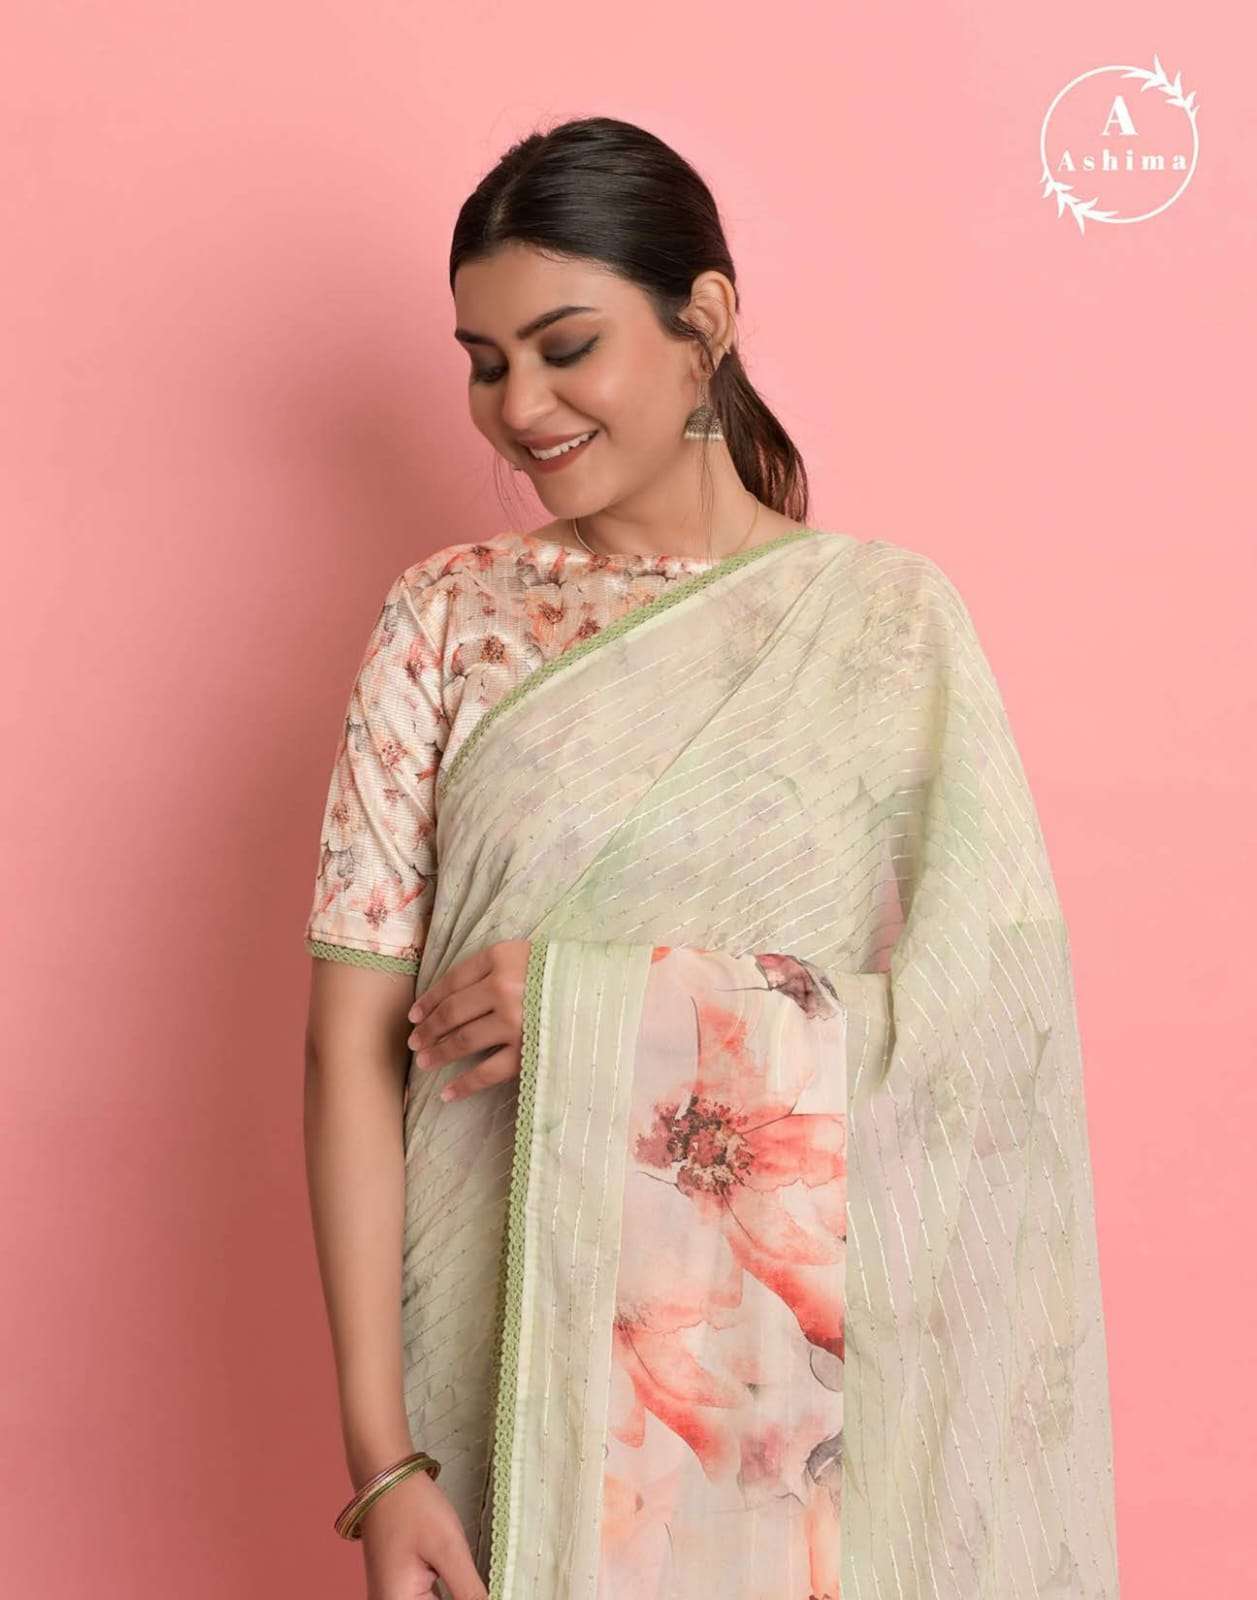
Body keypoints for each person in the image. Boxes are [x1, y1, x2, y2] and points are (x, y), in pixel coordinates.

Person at [301, 116, 1120, 1600]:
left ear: (706, 320)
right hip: (488, 1380)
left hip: (777, 1414)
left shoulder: (884, 629)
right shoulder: (442, 621)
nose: (518, 406)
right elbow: (348, 1051)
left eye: (566, 346)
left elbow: (990, 1041)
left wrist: (607, 1006)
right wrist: (384, 1462)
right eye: (484, 362)